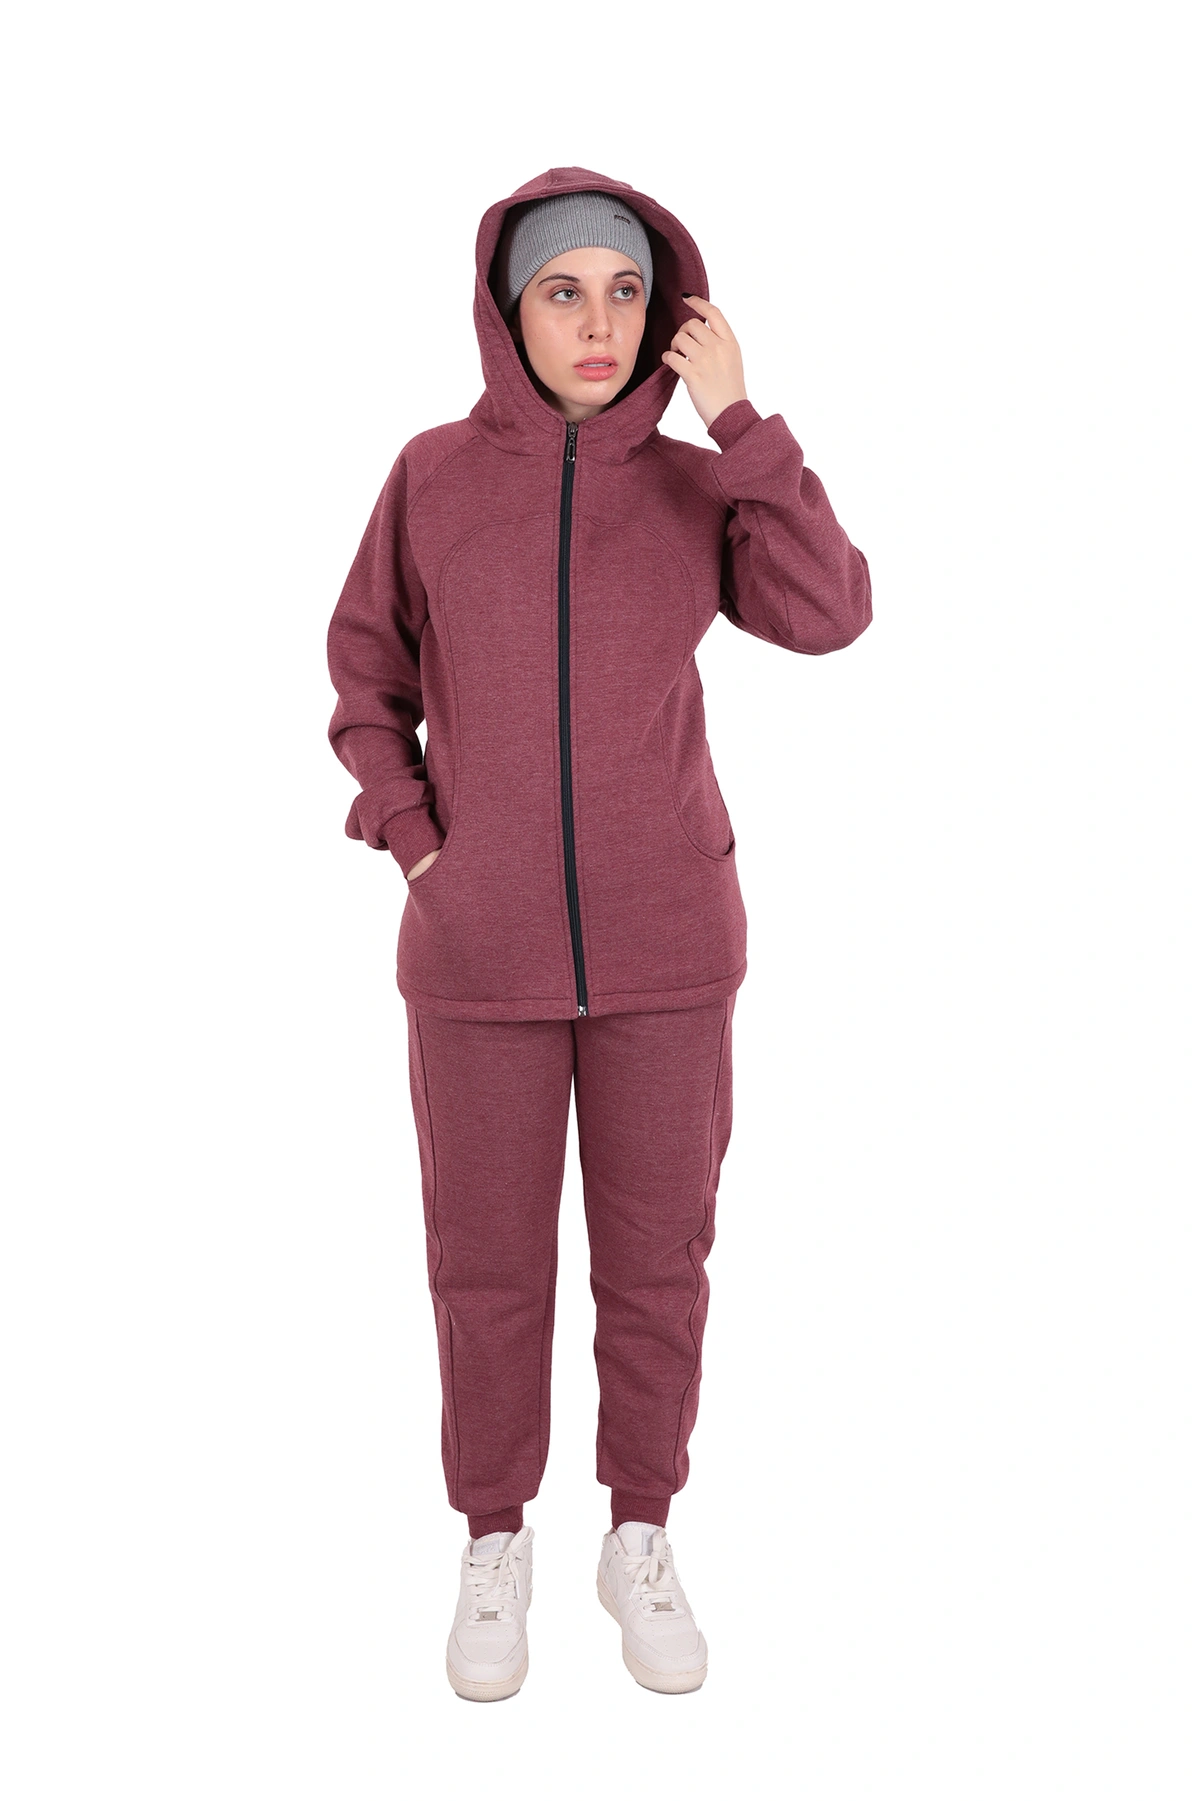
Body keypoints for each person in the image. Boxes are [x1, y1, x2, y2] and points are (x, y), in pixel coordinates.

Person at [325, 166, 872, 1700]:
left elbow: (831, 611)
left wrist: (744, 424)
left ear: (666, 314)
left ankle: (640, 1531)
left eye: (627, 293)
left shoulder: (702, 484)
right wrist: (421, 845)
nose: (597, 322)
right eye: (563, 291)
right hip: (476, 956)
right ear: (508, 312)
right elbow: (364, 679)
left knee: (657, 1265)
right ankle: (494, 1539)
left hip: (669, 947)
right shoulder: (433, 477)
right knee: (484, 1269)